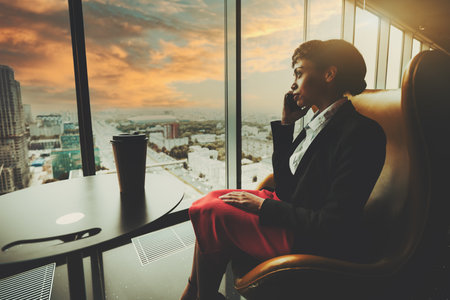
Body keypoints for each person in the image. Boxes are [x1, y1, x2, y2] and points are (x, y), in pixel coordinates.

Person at [180, 39, 386, 300]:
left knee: (207, 210)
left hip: (306, 236)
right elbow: (287, 186)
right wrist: (287, 125)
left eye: (299, 73)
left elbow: (335, 224)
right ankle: (198, 292)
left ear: (329, 74)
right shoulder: (316, 124)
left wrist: (262, 207)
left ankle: (199, 294)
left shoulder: (361, 134)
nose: (293, 84)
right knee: (209, 203)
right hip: (289, 211)